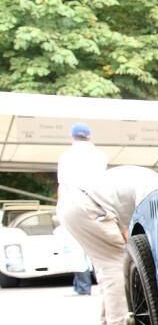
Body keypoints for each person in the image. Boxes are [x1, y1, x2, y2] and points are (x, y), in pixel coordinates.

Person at [58, 166, 158, 325]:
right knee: (114, 263)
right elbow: (146, 223)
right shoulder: (155, 187)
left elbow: (129, 227)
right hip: (88, 207)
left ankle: (107, 321)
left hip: (75, 205)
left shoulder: (147, 178)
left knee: (105, 265)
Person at [56, 122, 108, 296]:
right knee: (99, 246)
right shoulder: (100, 155)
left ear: (72, 137)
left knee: (77, 247)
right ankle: (103, 283)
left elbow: (62, 186)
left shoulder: (66, 156)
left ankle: (82, 286)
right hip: (97, 203)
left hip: (73, 204)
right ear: (89, 137)